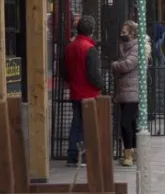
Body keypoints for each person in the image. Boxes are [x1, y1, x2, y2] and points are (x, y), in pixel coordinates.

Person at [62, 15, 103, 166]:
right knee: (89, 125)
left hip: (75, 91)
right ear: (91, 31)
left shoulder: (69, 47)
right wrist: (101, 85)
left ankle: (72, 155)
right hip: (89, 92)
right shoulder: (89, 49)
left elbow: (64, 71)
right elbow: (93, 74)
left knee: (76, 123)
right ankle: (85, 155)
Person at [111, 21, 149, 167]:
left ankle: (128, 152)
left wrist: (114, 65)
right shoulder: (126, 47)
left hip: (133, 91)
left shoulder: (137, 48)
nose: (122, 34)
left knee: (125, 122)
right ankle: (133, 151)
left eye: (124, 31)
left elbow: (127, 64)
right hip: (125, 90)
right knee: (130, 122)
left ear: (133, 33)